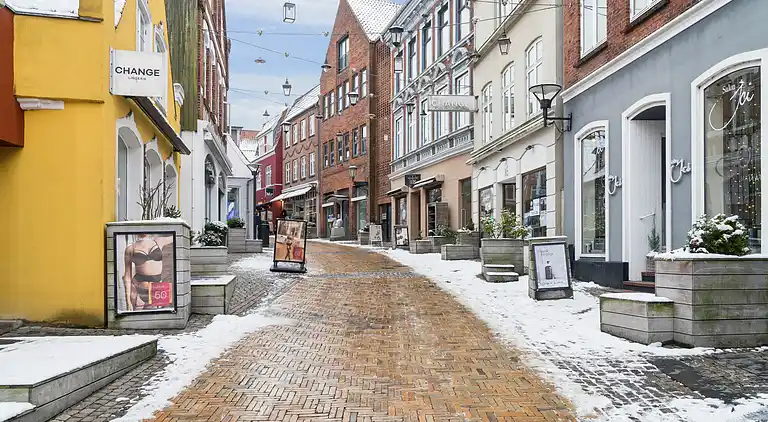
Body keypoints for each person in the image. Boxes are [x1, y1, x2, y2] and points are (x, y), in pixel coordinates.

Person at [122, 233, 174, 311]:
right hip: (139, 289)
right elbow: (127, 276)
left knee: (158, 315)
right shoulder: (130, 248)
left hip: (158, 287)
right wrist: (128, 300)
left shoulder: (159, 241)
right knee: (138, 315)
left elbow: (176, 234)